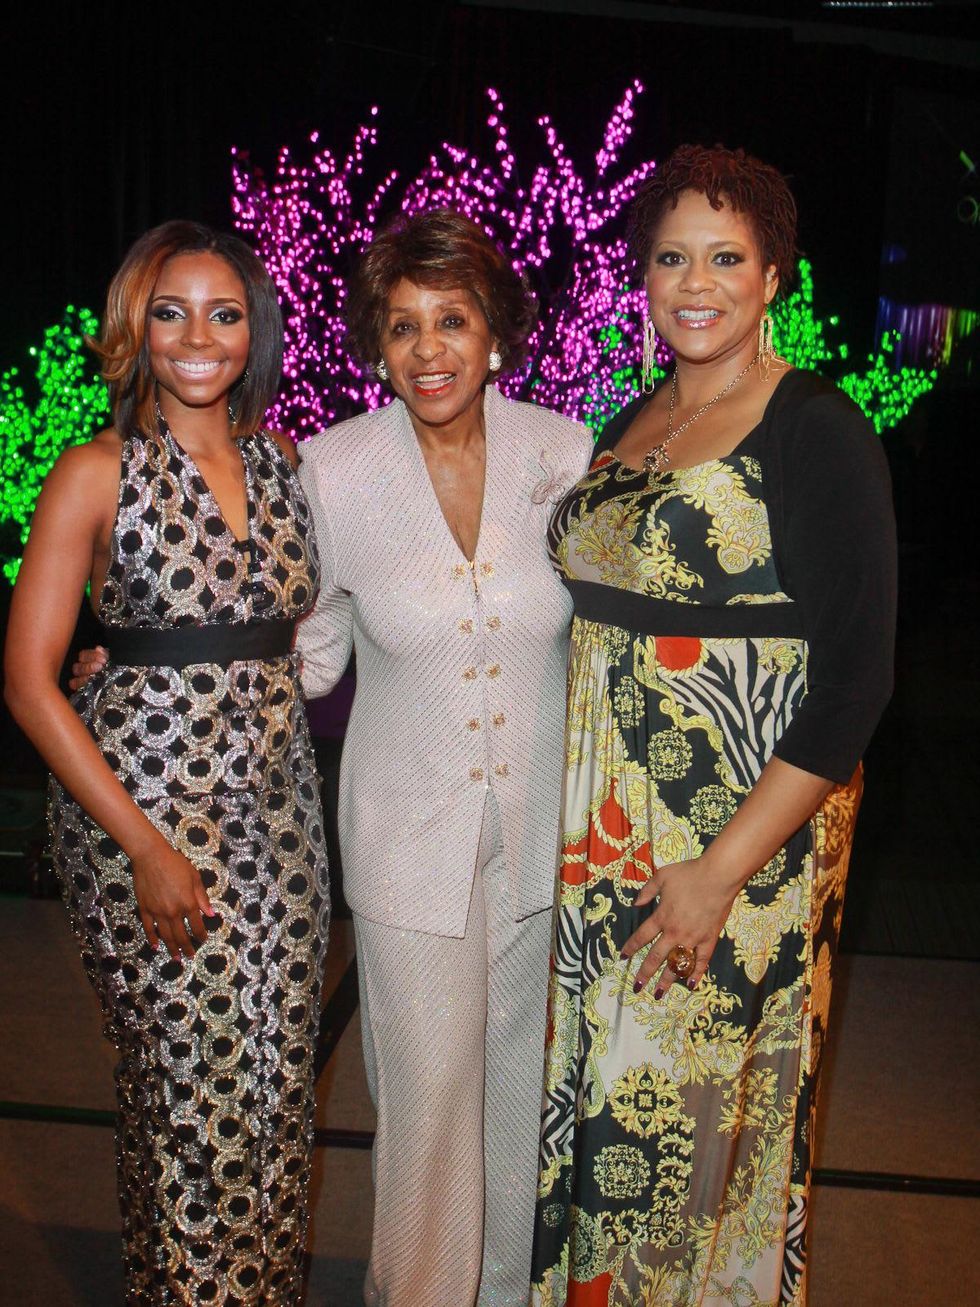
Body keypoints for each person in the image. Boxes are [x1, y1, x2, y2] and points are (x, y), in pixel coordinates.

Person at [530, 145, 897, 1306]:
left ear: (773, 275)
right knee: (613, 1127)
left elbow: (855, 683)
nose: (696, 281)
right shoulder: (628, 417)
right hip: (605, 843)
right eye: (671, 256)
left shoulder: (813, 427)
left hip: (728, 853)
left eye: (725, 257)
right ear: (640, 276)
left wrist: (716, 873)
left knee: (689, 1141)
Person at [4, 221, 329, 1305]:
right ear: (134, 326)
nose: (199, 336)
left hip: (282, 818)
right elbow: (28, 681)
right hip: (142, 809)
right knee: (188, 1088)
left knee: (278, 1085)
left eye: (224, 311)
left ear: (254, 329)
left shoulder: (284, 459)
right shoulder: (95, 470)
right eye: (171, 310)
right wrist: (141, 841)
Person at [296, 209, 593, 1306]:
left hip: (543, 842)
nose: (429, 349)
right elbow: (308, 650)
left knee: (521, 1092)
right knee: (427, 1105)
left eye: (451, 320)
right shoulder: (332, 469)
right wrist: (152, 665)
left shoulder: (562, 454)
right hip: (406, 844)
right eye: (403, 325)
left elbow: (616, 631)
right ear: (377, 343)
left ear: (493, 333)